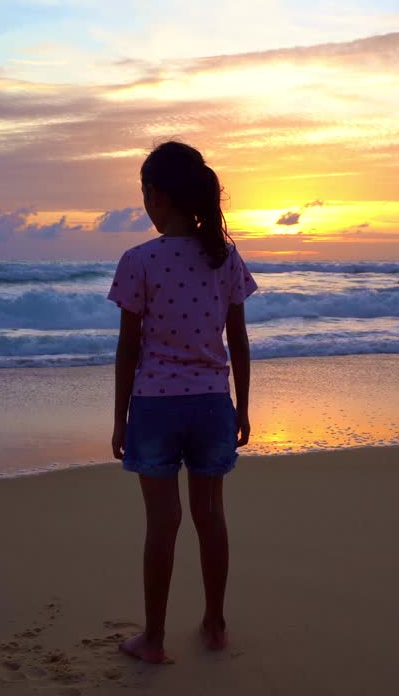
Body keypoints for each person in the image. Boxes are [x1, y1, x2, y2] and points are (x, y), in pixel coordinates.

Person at [107, 141, 257, 665]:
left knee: (162, 524)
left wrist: (120, 415)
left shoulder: (138, 260)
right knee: (210, 516)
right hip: (212, 403)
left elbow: (128, 347)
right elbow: (237, 339)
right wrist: (243, 406)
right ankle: (215, 624)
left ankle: (154, 638)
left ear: (157, 197)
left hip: (154, 405)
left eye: (145, 194)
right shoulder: (223, 255)